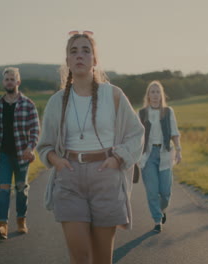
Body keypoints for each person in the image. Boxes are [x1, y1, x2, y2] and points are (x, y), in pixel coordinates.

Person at [36, 31, 144, 264]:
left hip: (106, 176)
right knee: (80, 256)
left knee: (102, 258)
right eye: (73, 51)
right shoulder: (57, 101)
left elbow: (136, 133)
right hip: (70, 177)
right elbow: (45, 144)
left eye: (86, 50)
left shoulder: (113, 94)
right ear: (67, 61)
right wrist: (57, 162)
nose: (80, 55)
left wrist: (117, 159)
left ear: (95, 59)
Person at [0, 67, 40, 239]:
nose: (9, 82)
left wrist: (30, 148)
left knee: (21, 188)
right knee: (3, 189)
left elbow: (35, 129)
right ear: (3, 82)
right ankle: (2, 226)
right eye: (6, 79)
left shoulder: (28, 104)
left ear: (18, 82)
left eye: (12, 79)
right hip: (2, 154)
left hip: (21, 154)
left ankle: (21, 220)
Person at [138, 80, 182, 233]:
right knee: (152, 191)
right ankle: (157, 220)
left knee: (165, 192)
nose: (155, 95)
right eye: (152, 92)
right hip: (147, 155)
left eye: (158, 92)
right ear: (148, 95)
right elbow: (137, 136)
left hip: (165, 154)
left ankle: (162, 210)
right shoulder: (142, 113)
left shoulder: (168, 111)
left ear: (161, 95)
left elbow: (175, 133)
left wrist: (179, 150)